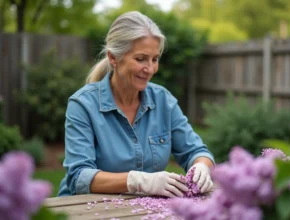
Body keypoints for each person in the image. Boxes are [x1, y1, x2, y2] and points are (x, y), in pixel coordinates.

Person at [58, 11, 215, 198]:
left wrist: (201, 166)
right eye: (140, 59)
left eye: (155, 59)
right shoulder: (83, 105)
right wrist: (137, 181)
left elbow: (196, 151)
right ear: (113, 58)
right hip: (81, 210)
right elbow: (78, 177)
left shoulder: (164, 101)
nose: (150, 69)